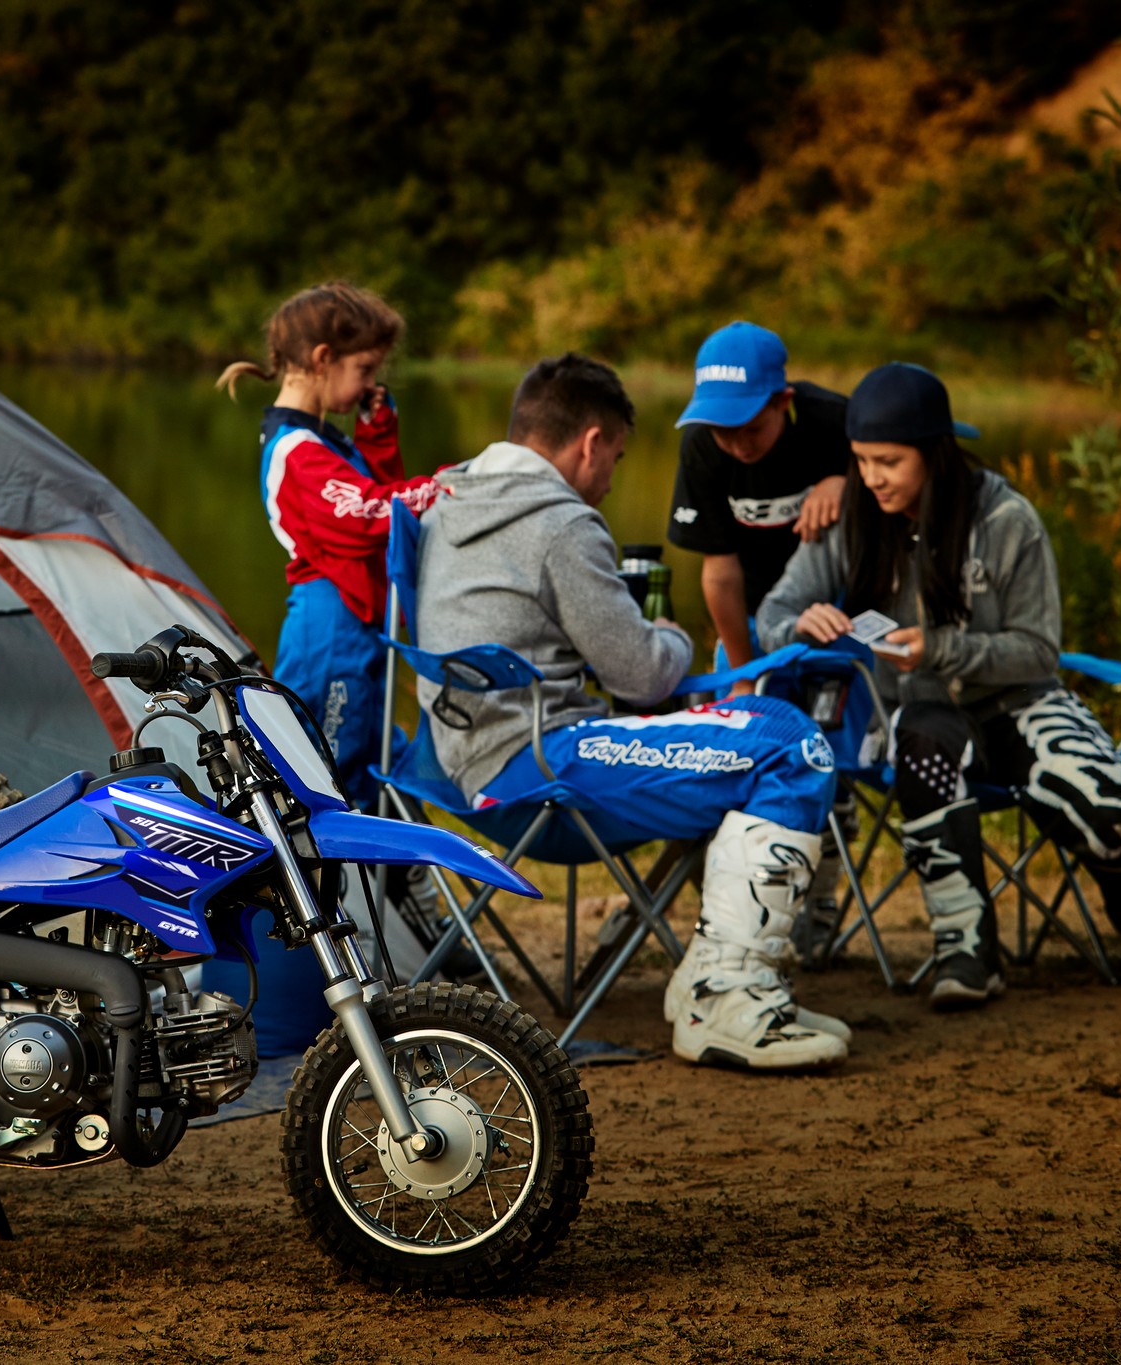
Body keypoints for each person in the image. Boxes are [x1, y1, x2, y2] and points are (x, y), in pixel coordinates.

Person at [415, 353, 849, 1071]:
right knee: (789, 745)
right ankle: (724, 997)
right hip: (541, 767)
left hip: (458, 761)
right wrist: (673, 636)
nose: (612, 479)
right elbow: (643, 677)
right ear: (590, 443)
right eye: (615, 458)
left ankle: (717, 975)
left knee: (762, 738)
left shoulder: (448, 498)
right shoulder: (560, 522)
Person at [756, 362, 1121, 1008]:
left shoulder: (1008, 519)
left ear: (934, 452)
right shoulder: (856, 518)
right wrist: (798, 625)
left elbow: (1038, 651)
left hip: (1019, 704)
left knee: (1095, 798)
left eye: (889, 461)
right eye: (861, 460)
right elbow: (774, 613)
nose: (871, 478)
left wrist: (941, 649)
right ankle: (965, 942)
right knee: (921, 742)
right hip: (924, 715)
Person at [667, 321, 856, 960]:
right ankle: (744, 910)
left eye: (748, 427)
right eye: (722, 429)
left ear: (784, 401)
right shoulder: (703, 445)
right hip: (750, 621)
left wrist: (846, 482)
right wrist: (745, 674)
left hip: (836, 622)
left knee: (834, 764)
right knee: (746, 747)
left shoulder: (835, 422)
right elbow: (719, 573)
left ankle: (821, 904)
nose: (735, 443)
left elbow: (901, 481)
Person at [219, 282, 440, 805]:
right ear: (323, 359)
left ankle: (399, 858)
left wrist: (376, 433)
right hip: (330, 627)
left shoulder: (322, 441)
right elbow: (364, 514)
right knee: (326, 779)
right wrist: (441, 488)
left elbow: (376, 498)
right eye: (364, 369)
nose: (370, 384)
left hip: (356, 622)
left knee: (371, 761)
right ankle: (322, 863)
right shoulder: (297, 450)